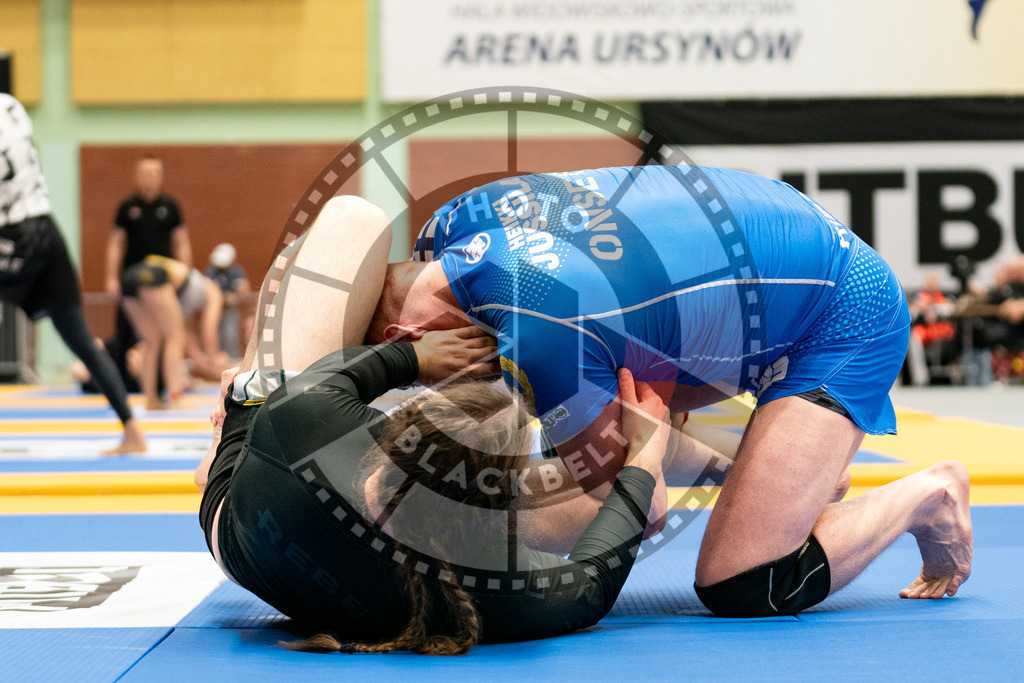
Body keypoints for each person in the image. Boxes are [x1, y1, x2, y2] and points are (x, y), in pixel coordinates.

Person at [369, 165, 973, 616]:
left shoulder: (536, 333)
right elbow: (633, 412)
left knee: (742, 580)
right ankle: (765, 470)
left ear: (406, 333)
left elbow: (641, 508)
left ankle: (928, 494)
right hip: (762, 236)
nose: (449, 394)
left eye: (419, 376)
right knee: (598, 408)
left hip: (842, 308)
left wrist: (443, 514)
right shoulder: (449, 227)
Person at [195, 196, 671, 654]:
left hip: (238, 509)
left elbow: (329, 378)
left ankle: (218, 445)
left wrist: (415, 357)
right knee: (624, 501)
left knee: (350, 222)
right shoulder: (497, 583)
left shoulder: (307, 422)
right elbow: (596, 581)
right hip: (295, 535)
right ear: (497, 506)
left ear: (393, 432)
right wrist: (645, 454)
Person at [0, 93, 146, 453]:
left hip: (16, 233)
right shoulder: (11, 106)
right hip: (47, 231)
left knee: (81, 341)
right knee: (82, 342)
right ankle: (132, 431)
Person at [105, 155, 192, 389]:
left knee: (153, 339)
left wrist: (182, 274)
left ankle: (153, 395)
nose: (150, 178)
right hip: (138, 278)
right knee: (173, 335)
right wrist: (111, 278)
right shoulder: (127, 207)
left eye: (155, 173)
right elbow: (116, 243)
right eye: (145, 173)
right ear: (136, 175)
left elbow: (181, 242)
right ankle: (173, 393)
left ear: (161, 176)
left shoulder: (169, 206)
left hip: (160, 278)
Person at [120, 254, 229, 408]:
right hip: (154, 275)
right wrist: (215, 358)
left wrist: (211, 366)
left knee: (152, 341)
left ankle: (151, 401)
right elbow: (208, 333)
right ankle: (176, 397)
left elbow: (192, 350)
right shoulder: (213, 293)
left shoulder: (187, 303)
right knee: (174, 338)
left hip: (129, 277)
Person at [204, 242, 252, 359]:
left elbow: (244, 291)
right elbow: (207, 288)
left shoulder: (236, 272)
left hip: (230, 311)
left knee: (230, 337)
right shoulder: (211, 271)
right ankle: (217, 362)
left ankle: (233, 360)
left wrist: (234, 297)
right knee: (215, 337)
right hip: (215, 311)